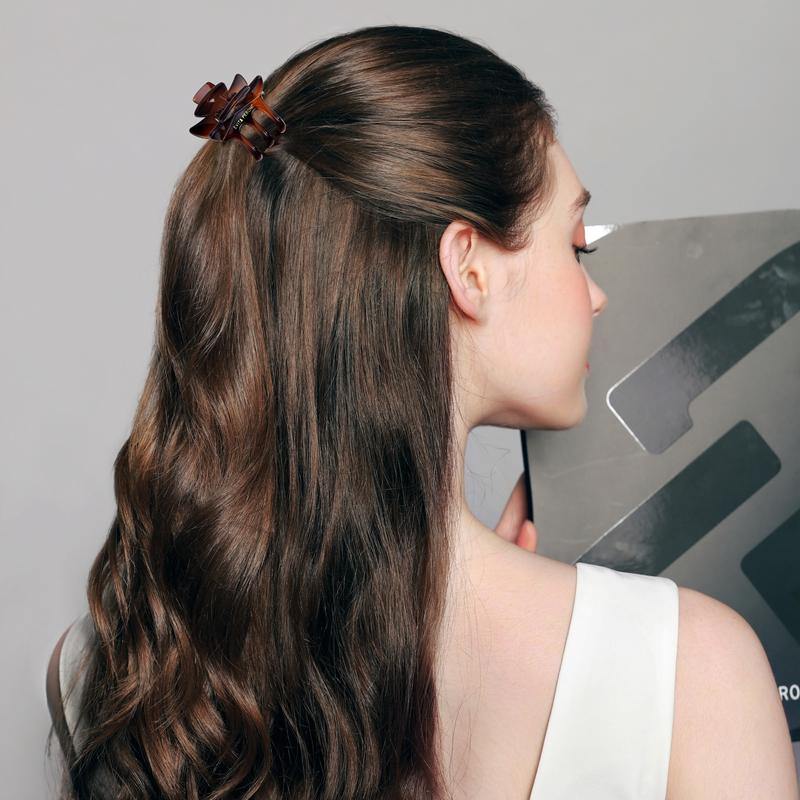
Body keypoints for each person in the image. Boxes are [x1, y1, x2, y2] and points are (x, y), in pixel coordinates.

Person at [45, 24, 798, 800]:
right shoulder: (691, 670)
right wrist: (553, 625)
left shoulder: (128, 667)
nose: (595, 293)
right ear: (466, 268)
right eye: (576, 246)